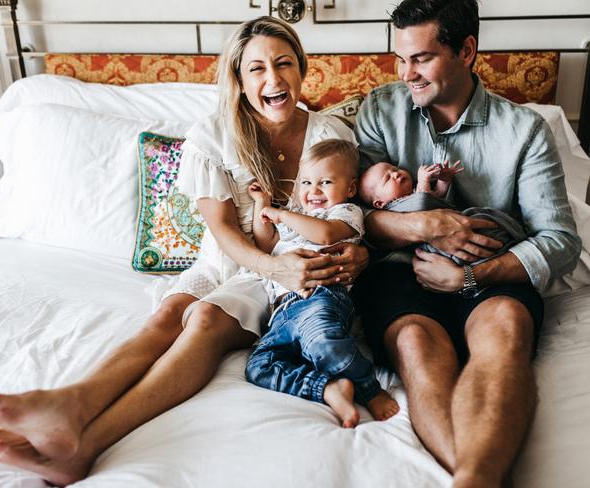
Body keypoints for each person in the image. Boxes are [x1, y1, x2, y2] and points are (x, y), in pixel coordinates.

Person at [0, 16, 369, 485]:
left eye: (284, 64)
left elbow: (350, 213)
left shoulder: (329, 134)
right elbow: (219, 230)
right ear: (238, 79)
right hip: (228, 259)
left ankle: (85, 441)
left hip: (285, 272)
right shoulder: (214, 134)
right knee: (166, 317)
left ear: (302, 69)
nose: (272, 79)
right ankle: (73, 403)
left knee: (205, 321)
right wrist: (272, 266)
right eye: (256, 69)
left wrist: (344, 255)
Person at [352, 0, 581, 487]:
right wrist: (428, 226)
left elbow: (561, 239)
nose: (406, 73)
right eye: (400, 58)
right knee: (415, 344)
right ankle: (478, 477)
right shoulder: (378, 110)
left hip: (495, 273)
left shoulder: (526, 131)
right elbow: (357, 220)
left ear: (467, 50)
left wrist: (473, 275)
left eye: (422, 58)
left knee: (505, 336)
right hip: (401, 274)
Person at [244, 139, 399, 427]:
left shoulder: (345, 213)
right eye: (306, 182)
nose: (313, 191)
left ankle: (368, 388)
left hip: (322, 295)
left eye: (325, 182)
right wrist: (262, 206)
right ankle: (327, 388)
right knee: (258, 366)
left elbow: (327, 235)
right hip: (282, 312)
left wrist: (280, 215)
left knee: (323, 342)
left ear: (350, 189)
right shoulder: (295, 214)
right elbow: (266, 242)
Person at [359, 160, 529, 268]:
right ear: (379, 203)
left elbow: (437, 198)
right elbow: (422, 206)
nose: (395, 174)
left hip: (457, 226)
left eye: (394, 169)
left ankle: (509, 237)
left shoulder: (414, 193)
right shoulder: (394, 209)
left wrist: (444, 180)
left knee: (483, 220)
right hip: (437, 249)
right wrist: (424, 181)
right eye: (387, 178)